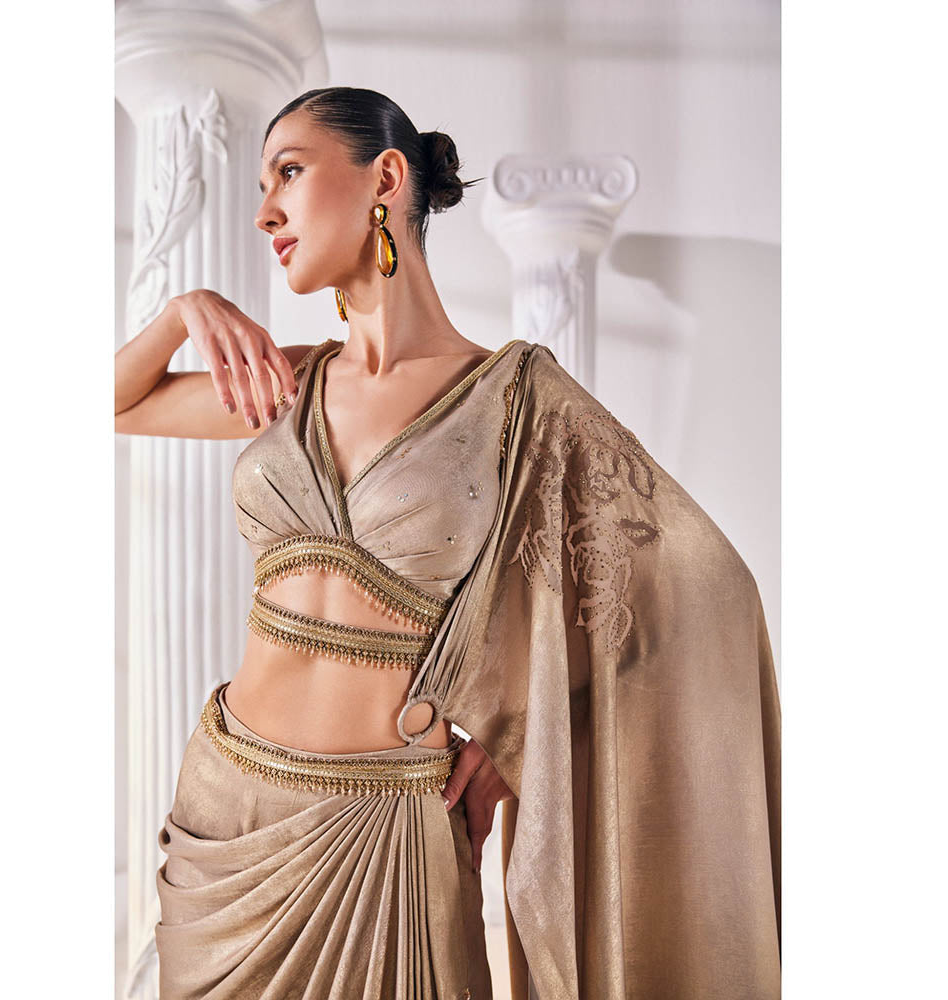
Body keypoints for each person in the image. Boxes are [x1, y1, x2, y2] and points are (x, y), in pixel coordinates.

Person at [115, 86, 781, 1000]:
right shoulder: (287, 384)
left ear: (386, 177)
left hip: (390, 828)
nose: (265, 211)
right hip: (225, 814)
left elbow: (700, 593)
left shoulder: (516, 403)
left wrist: (522, 735)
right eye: (263, 185)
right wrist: (184, 311)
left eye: (289, 173)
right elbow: (110, 404)